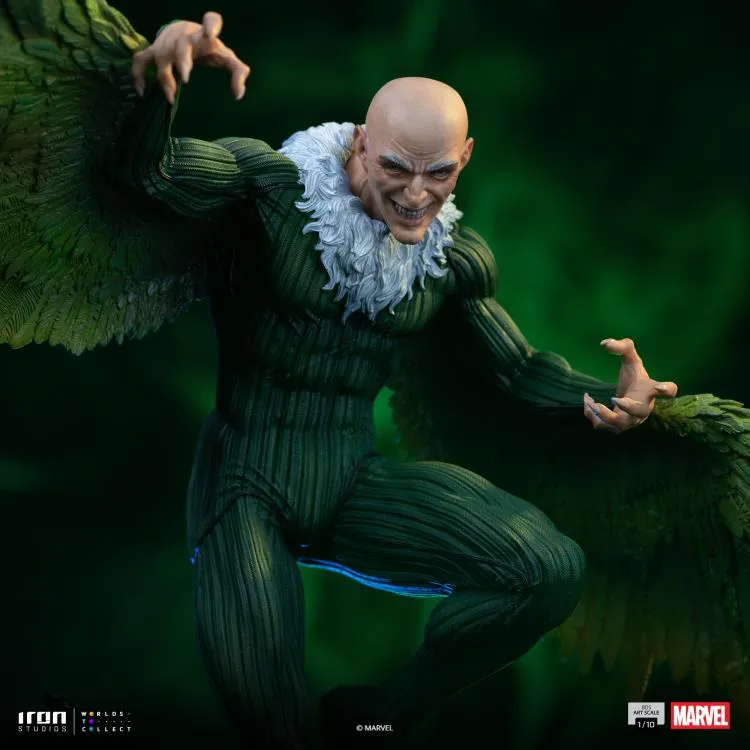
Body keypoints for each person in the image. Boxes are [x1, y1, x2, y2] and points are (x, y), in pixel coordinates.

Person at [4, 4, 749, 748]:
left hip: (351, 485)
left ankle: (380, 711)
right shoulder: (269, 190)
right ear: (361, 144)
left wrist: (614, 398)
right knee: (273, 724)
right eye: (396, 167)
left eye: (439, 172)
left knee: (547, 569)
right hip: (245, 488)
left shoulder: (449, 261)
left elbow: (518, 368)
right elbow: (147, 174)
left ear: (465, 159)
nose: (417, 194)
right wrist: (155, 85)